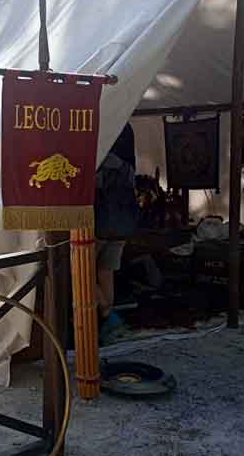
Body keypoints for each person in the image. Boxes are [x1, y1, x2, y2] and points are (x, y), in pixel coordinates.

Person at [94, 123, 137, 343]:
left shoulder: (101, 162)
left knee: (79, 273)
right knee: (105, 273)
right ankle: (108, 322)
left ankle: (108, 316)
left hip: (99, 226)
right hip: (122, 227)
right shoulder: (128, 167)